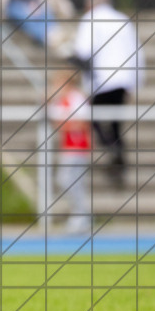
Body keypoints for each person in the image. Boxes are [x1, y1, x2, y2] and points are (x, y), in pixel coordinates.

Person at [70, 0, 144, 189]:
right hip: (123, 81)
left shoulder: (91, 19)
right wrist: (135, 83)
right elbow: (137, 52)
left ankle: (111, 149)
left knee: (91, 116)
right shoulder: (122, 19)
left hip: (102, 80)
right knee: (115, 124)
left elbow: (82, 51)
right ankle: (117, 153)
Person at [49, 68, 93, 233]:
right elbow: (57, 122)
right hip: (67, 146)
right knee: (66, 180)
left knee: (71, 180)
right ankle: (80, 215)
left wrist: (66, 123)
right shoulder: (61, 100)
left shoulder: (76, 98)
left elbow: (81, 122)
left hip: (78, 146)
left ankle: (81, 216)